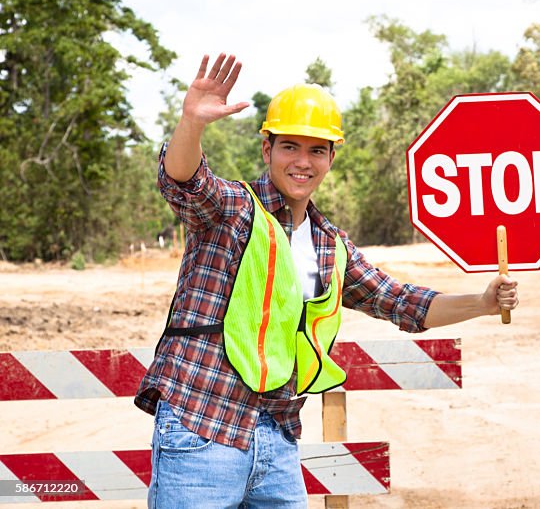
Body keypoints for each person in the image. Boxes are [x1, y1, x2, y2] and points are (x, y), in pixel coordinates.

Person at [135, 53, 518, 508]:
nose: (303, 161)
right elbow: (185, 182)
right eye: (290, 147)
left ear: (331, 158)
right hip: (205, 425)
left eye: (317, 150)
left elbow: (400, 302)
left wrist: (483, 301)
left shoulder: (328, 245)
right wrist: (191, 123)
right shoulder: (232, 210)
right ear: (267, 150)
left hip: (276, 438)